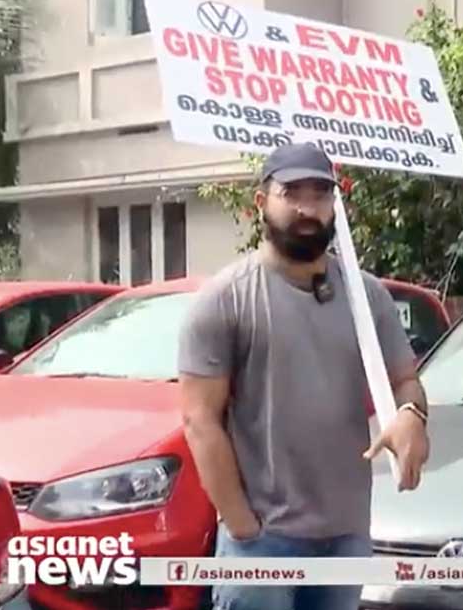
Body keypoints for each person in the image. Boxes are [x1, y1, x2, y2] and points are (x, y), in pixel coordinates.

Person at [177, 143, 431, 610]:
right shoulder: (225, 300)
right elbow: (199, 420)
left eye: (320, 194)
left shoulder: (367, 297)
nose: (306, 208)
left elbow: (406, 381)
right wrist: (242, 527)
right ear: (261, 203)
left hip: (347, 537)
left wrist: (412, 414)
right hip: (264, 543)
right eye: (291, 192)